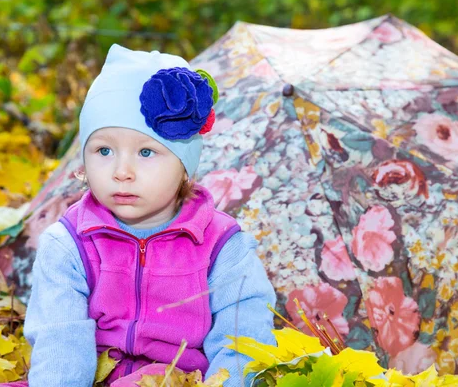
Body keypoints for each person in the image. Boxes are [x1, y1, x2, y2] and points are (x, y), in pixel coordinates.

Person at [19, 44, 276, 386]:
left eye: (146, 152)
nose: (122, 171)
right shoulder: (69, 243)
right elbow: (59, 342)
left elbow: (242, 342)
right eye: (104, 150)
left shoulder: (223, 247)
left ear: (184, 167)